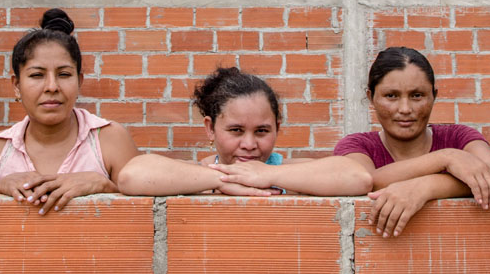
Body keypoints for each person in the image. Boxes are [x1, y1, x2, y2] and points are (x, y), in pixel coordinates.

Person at [0, 8, 139, 214]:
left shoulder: (108, 139)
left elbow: (140, 214)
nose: (52, 87)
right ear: (16, 85)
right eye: (37, 75)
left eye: (64, 74)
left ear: (79, 82)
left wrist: (103, 185)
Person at [118, 67, 372, 196]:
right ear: (210, 128)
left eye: (262, 131)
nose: (249, 144)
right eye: (236, 130)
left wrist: (269, 175)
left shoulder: (286, 173)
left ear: (277, 128)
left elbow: (358, 177)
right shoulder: (198, 175)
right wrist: (225, 180)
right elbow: (132, 175)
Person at [334, 46, 490, 238]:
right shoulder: (357, 145)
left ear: (434, 96)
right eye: (391, 96)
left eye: (417, 96)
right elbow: (369, 180)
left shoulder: (458, 137)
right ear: (371, 98)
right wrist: (445, 158)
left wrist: (425, 187)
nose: (405, 109)